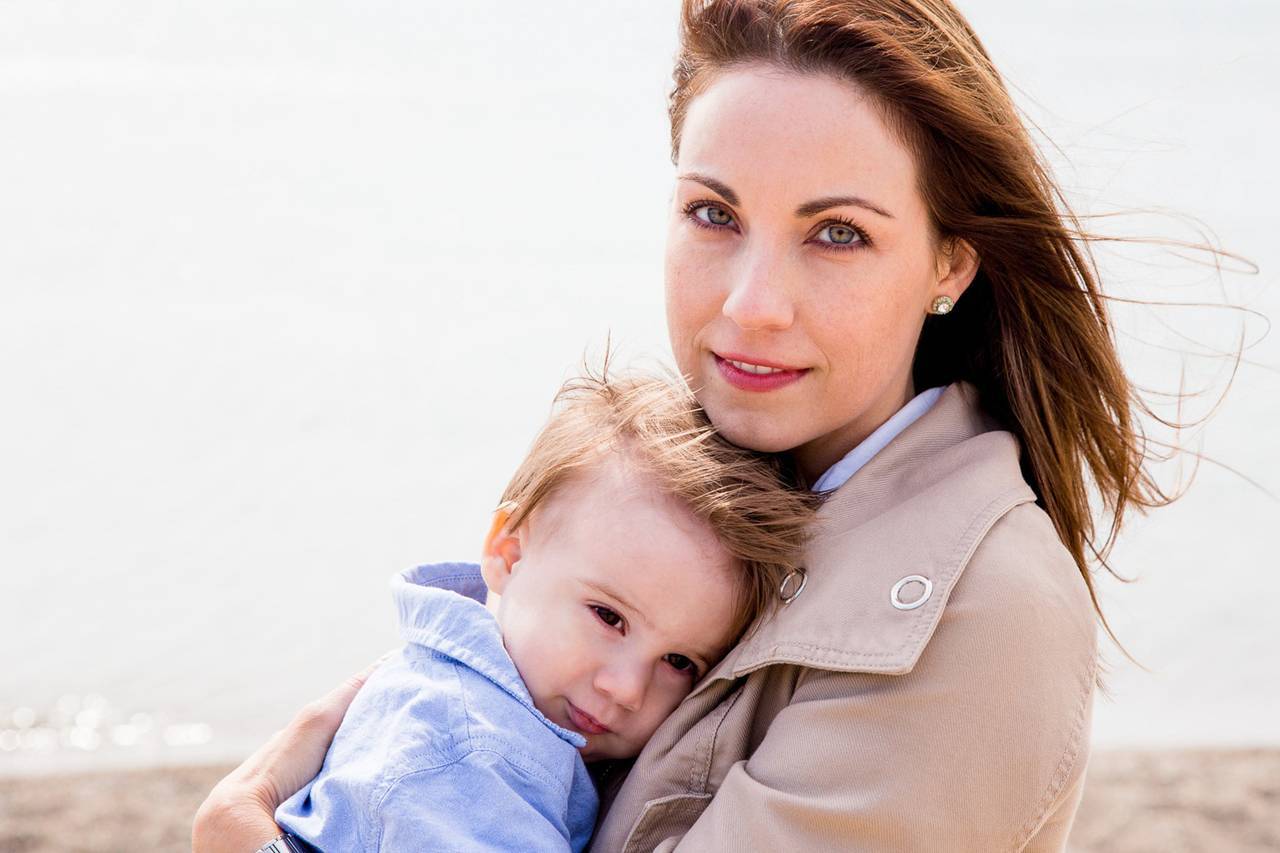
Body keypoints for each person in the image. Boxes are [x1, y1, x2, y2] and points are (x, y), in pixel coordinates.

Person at [195, 1, 1183, 849]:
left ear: (947, 266)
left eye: (835, 233)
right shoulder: (677, 499)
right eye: (714, 213)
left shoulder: (976, 613)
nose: (752, 303)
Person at [272, 370, 816, 852]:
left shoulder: (476, 701)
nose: (627, 688)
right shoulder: (475, 759)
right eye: (608, 616)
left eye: (679, 661)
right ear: (509, 554)